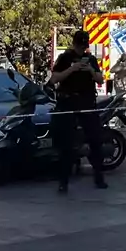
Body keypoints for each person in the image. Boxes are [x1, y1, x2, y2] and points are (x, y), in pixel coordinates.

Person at [48, 30, 107, 193]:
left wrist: (90, 70)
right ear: (74, 44)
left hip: (87, 101)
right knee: (67, 144)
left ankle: (99, 177)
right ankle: (63, 181)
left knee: (95, 140)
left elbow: (101, 80)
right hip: (68, 102)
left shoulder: (91, 59)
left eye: (84, 47)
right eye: (79, 46)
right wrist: (72, 69)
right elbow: (54, 79)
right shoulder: (65, 58)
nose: (82, 50)